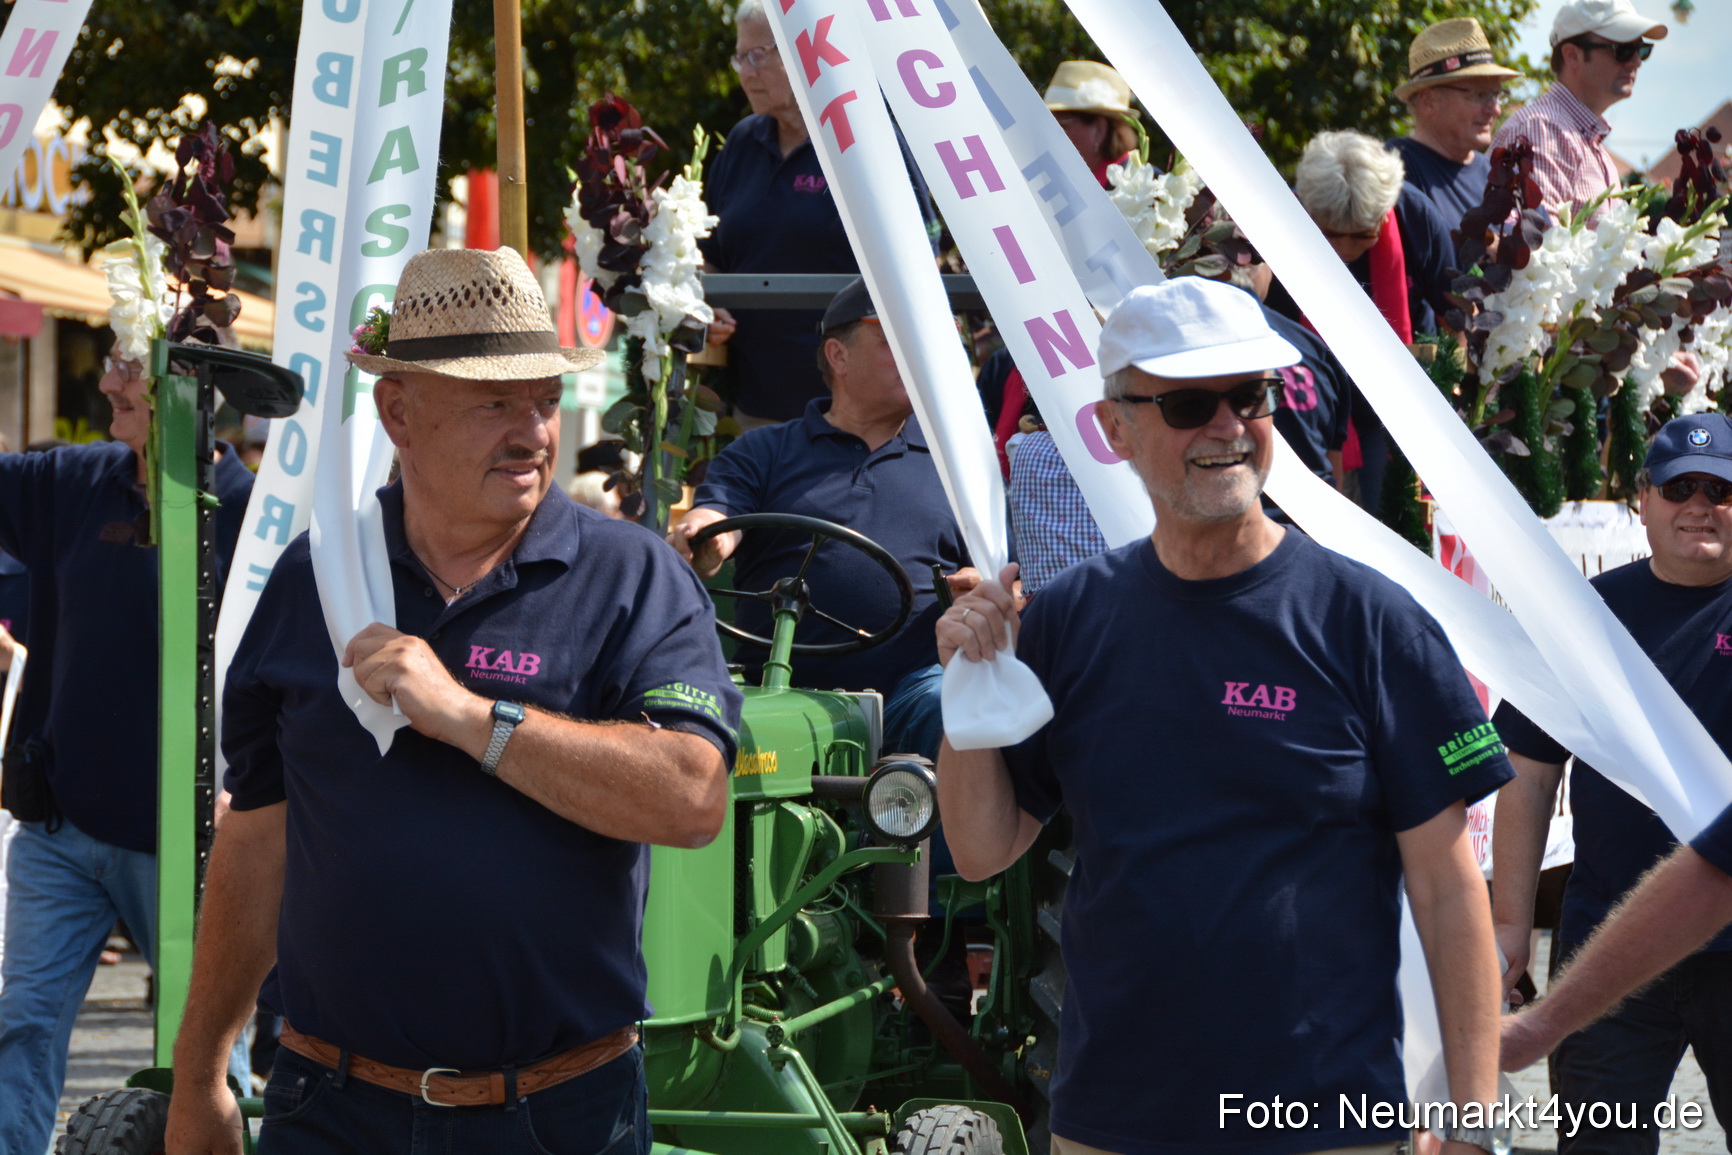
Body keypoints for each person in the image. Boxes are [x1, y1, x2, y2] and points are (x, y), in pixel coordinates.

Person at [163, 248, 742, 1155]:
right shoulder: (319, 577)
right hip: (331, 1111)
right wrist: (199, 1073)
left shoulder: (631, 577)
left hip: (558, 1117)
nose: (533, 432)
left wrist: (472, 718)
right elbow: (259, 833)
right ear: (399, 411)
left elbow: (692, 794)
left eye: (544, 400)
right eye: (493, 401)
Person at [936, 277, 1510, 1155]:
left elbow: (1448, 886)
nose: (1228, 426)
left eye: (1251, 397)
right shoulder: (1068, 618)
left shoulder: (1369, 621)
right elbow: (982, 849)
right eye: (1191, 402)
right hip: (1113, 1121)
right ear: (1113, 427)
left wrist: (1476, 1120)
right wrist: (967, 687)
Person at [0, 350, 254, 1154]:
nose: (106, 383)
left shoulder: (255, 516)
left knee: (211, 1060)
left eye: (127, 366)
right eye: (109, 363)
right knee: (21, 1023)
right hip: (63, 832)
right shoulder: (75, 482)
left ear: (193, 388)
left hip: (194, 852)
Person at [1490, 411, 1732, 1151]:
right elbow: (1527, 773)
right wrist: (1508, 927)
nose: (1699, 504)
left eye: (1721, 489)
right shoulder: (1587, 615)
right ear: (1642, 500)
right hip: (1609, 950)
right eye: (1679, 487)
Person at [669, 278, 970, 761]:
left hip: (909, 690)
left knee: (953, 708)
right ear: (838, 355)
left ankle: (948, 837)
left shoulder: (959, 467)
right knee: (688, 721)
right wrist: (704, 535)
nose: (916, 356)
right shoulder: (764, 451)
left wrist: (980, 586)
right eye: (894, 341)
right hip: (776, 682)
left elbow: (1006, 575)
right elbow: (719, 512)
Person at [701, 0, 936, 427]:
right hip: (756, 411)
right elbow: (708, 253)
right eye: (740, 57)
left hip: (860, 413)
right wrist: (710, 302)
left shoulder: (865, 139)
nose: (747, 72)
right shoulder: (740, 144)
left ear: (801, 53)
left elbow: (922, 259)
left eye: (758, 55)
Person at [1270, 129, 1455, 512]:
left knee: (1390, 513)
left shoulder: (1415, 217)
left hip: (1390, 404)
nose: (1343, 250)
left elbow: (1456, 314)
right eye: (1329, 235)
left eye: (1362, 236)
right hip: (1301, 403)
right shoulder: (1278, 221)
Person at [1501, 800, 1732, 1074]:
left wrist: (1541, 1025)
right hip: (1598, 927)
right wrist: (1510, 923)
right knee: (1598, 1112)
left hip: (1629, 942)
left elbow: (1715, 876)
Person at [1490, 0, 1667, 222]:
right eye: (1623, 50)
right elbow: (1539, 246)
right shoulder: (1543, 128)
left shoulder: (1586, 141)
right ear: (1572, 56)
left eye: (1642, 50)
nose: (1636, 62)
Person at [1389, 18, 1521, 232]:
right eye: (1480, 95)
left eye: (1496, 95)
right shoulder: (1389, 173)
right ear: (1428, 101)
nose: (1495, 109)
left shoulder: (1507, 179)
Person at [1043, 60, 1142, 189]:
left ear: (1099, 131)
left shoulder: (1142, 190)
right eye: (1045, 125)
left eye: (1060, 127)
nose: (1046, 136)